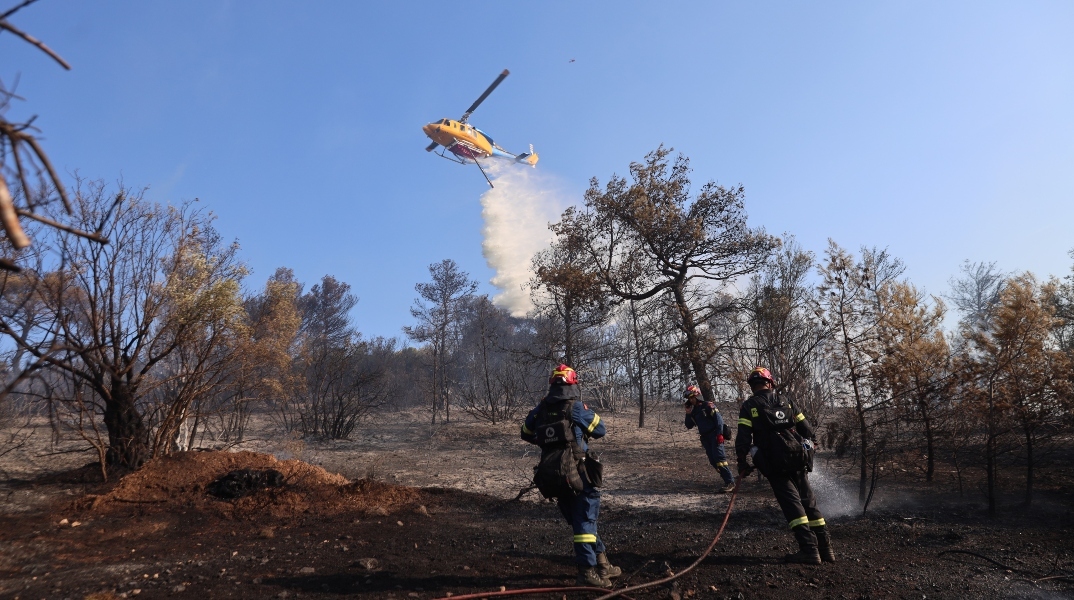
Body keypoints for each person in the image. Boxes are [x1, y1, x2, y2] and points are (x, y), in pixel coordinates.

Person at [521, 364, 621, 588]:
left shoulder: (542, 408)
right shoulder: (575, 408)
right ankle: (587, 572)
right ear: (573, 383)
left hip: (553, 476)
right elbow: (600, 430)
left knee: (580, 523)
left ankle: (603, 564)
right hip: (578, 474)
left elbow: (525, 432)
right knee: (585, 521)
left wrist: (548, 442)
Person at [735, 367, 836, 565]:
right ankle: (826, 549)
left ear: (752, 386)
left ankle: (809, 550)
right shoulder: (787, 401)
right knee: (808, 501)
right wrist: (809, 449)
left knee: (792, 503)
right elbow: (806, 429)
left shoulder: (749, 406)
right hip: (798, 457)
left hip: (773, 462)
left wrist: (742, 464)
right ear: (770, 382)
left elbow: (743, 438)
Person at [683, 384, 736, 493]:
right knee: (713, 461)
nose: (691, 400)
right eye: (689, 398)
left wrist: (720, 434)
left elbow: (719, 420)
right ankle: (726, 480)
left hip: (714, 435)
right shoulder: (694, 411)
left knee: (719, 458)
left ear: (697, 396)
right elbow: (689, 425)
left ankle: (730, 482)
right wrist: (688, 413)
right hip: (706, 438)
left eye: (692, 397)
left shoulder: (708, 405)